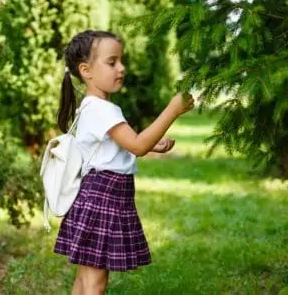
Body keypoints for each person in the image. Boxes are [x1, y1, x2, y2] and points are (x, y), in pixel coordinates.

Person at [54, 29, 194, 295]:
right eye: (111, 62)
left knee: (85, 278)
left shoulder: (91, 105)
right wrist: (173, 109)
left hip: (96, 195)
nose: (121, 68)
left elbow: (120, 144)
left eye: (121, 60)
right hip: (103, 198)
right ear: (86, 70)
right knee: (96, 283)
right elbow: (138, 146)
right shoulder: (102, 109)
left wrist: (154, 142)